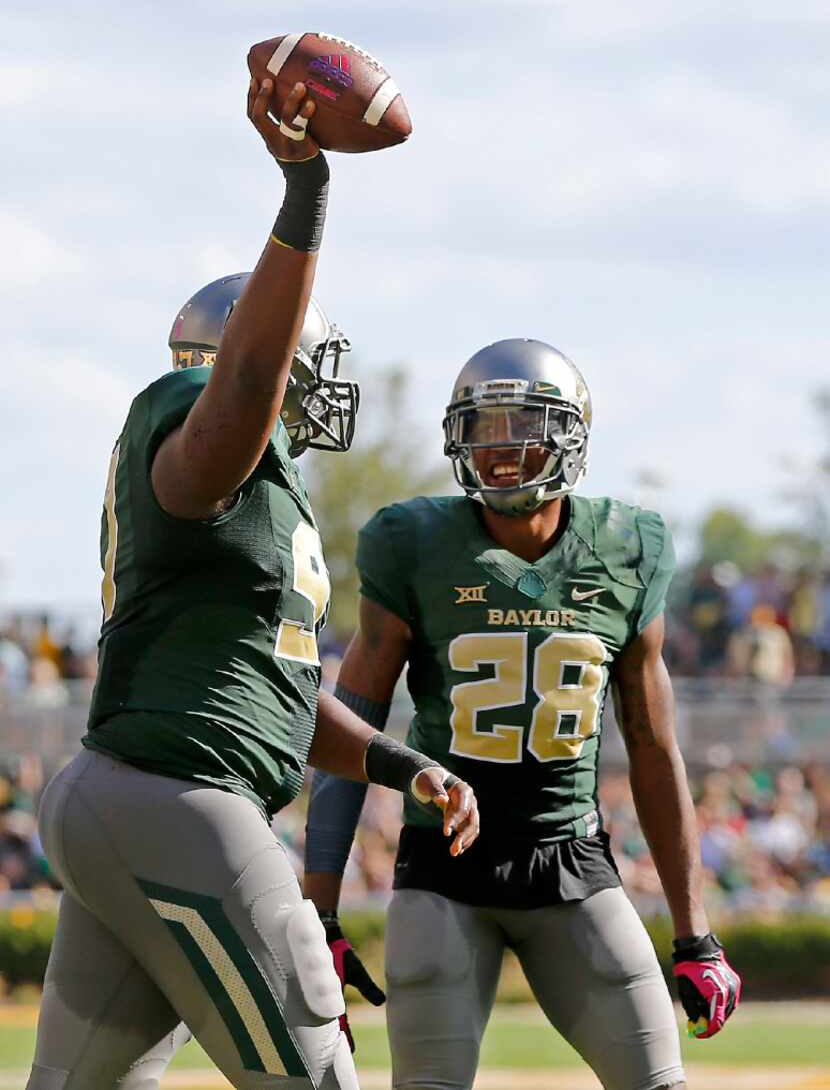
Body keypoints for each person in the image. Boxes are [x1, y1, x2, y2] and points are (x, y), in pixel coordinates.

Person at [25, 77, 478, 1090]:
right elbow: (236, 389)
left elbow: (276, 698)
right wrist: (304, 189)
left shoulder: (257, 508)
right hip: (179, 799)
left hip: (137, 794)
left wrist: (404, 766)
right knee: (314, 1075)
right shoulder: (198, 425)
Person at [305, 340, 741, 1090]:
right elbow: (352, 727)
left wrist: (694, 934)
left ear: (571, 436)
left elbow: (653, 746)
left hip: (570, 857)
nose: (502, 447)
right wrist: (320, 916)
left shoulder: (627, 548)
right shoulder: (413, 543)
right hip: (443, 869)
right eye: (485, 426)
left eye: (523, 424)